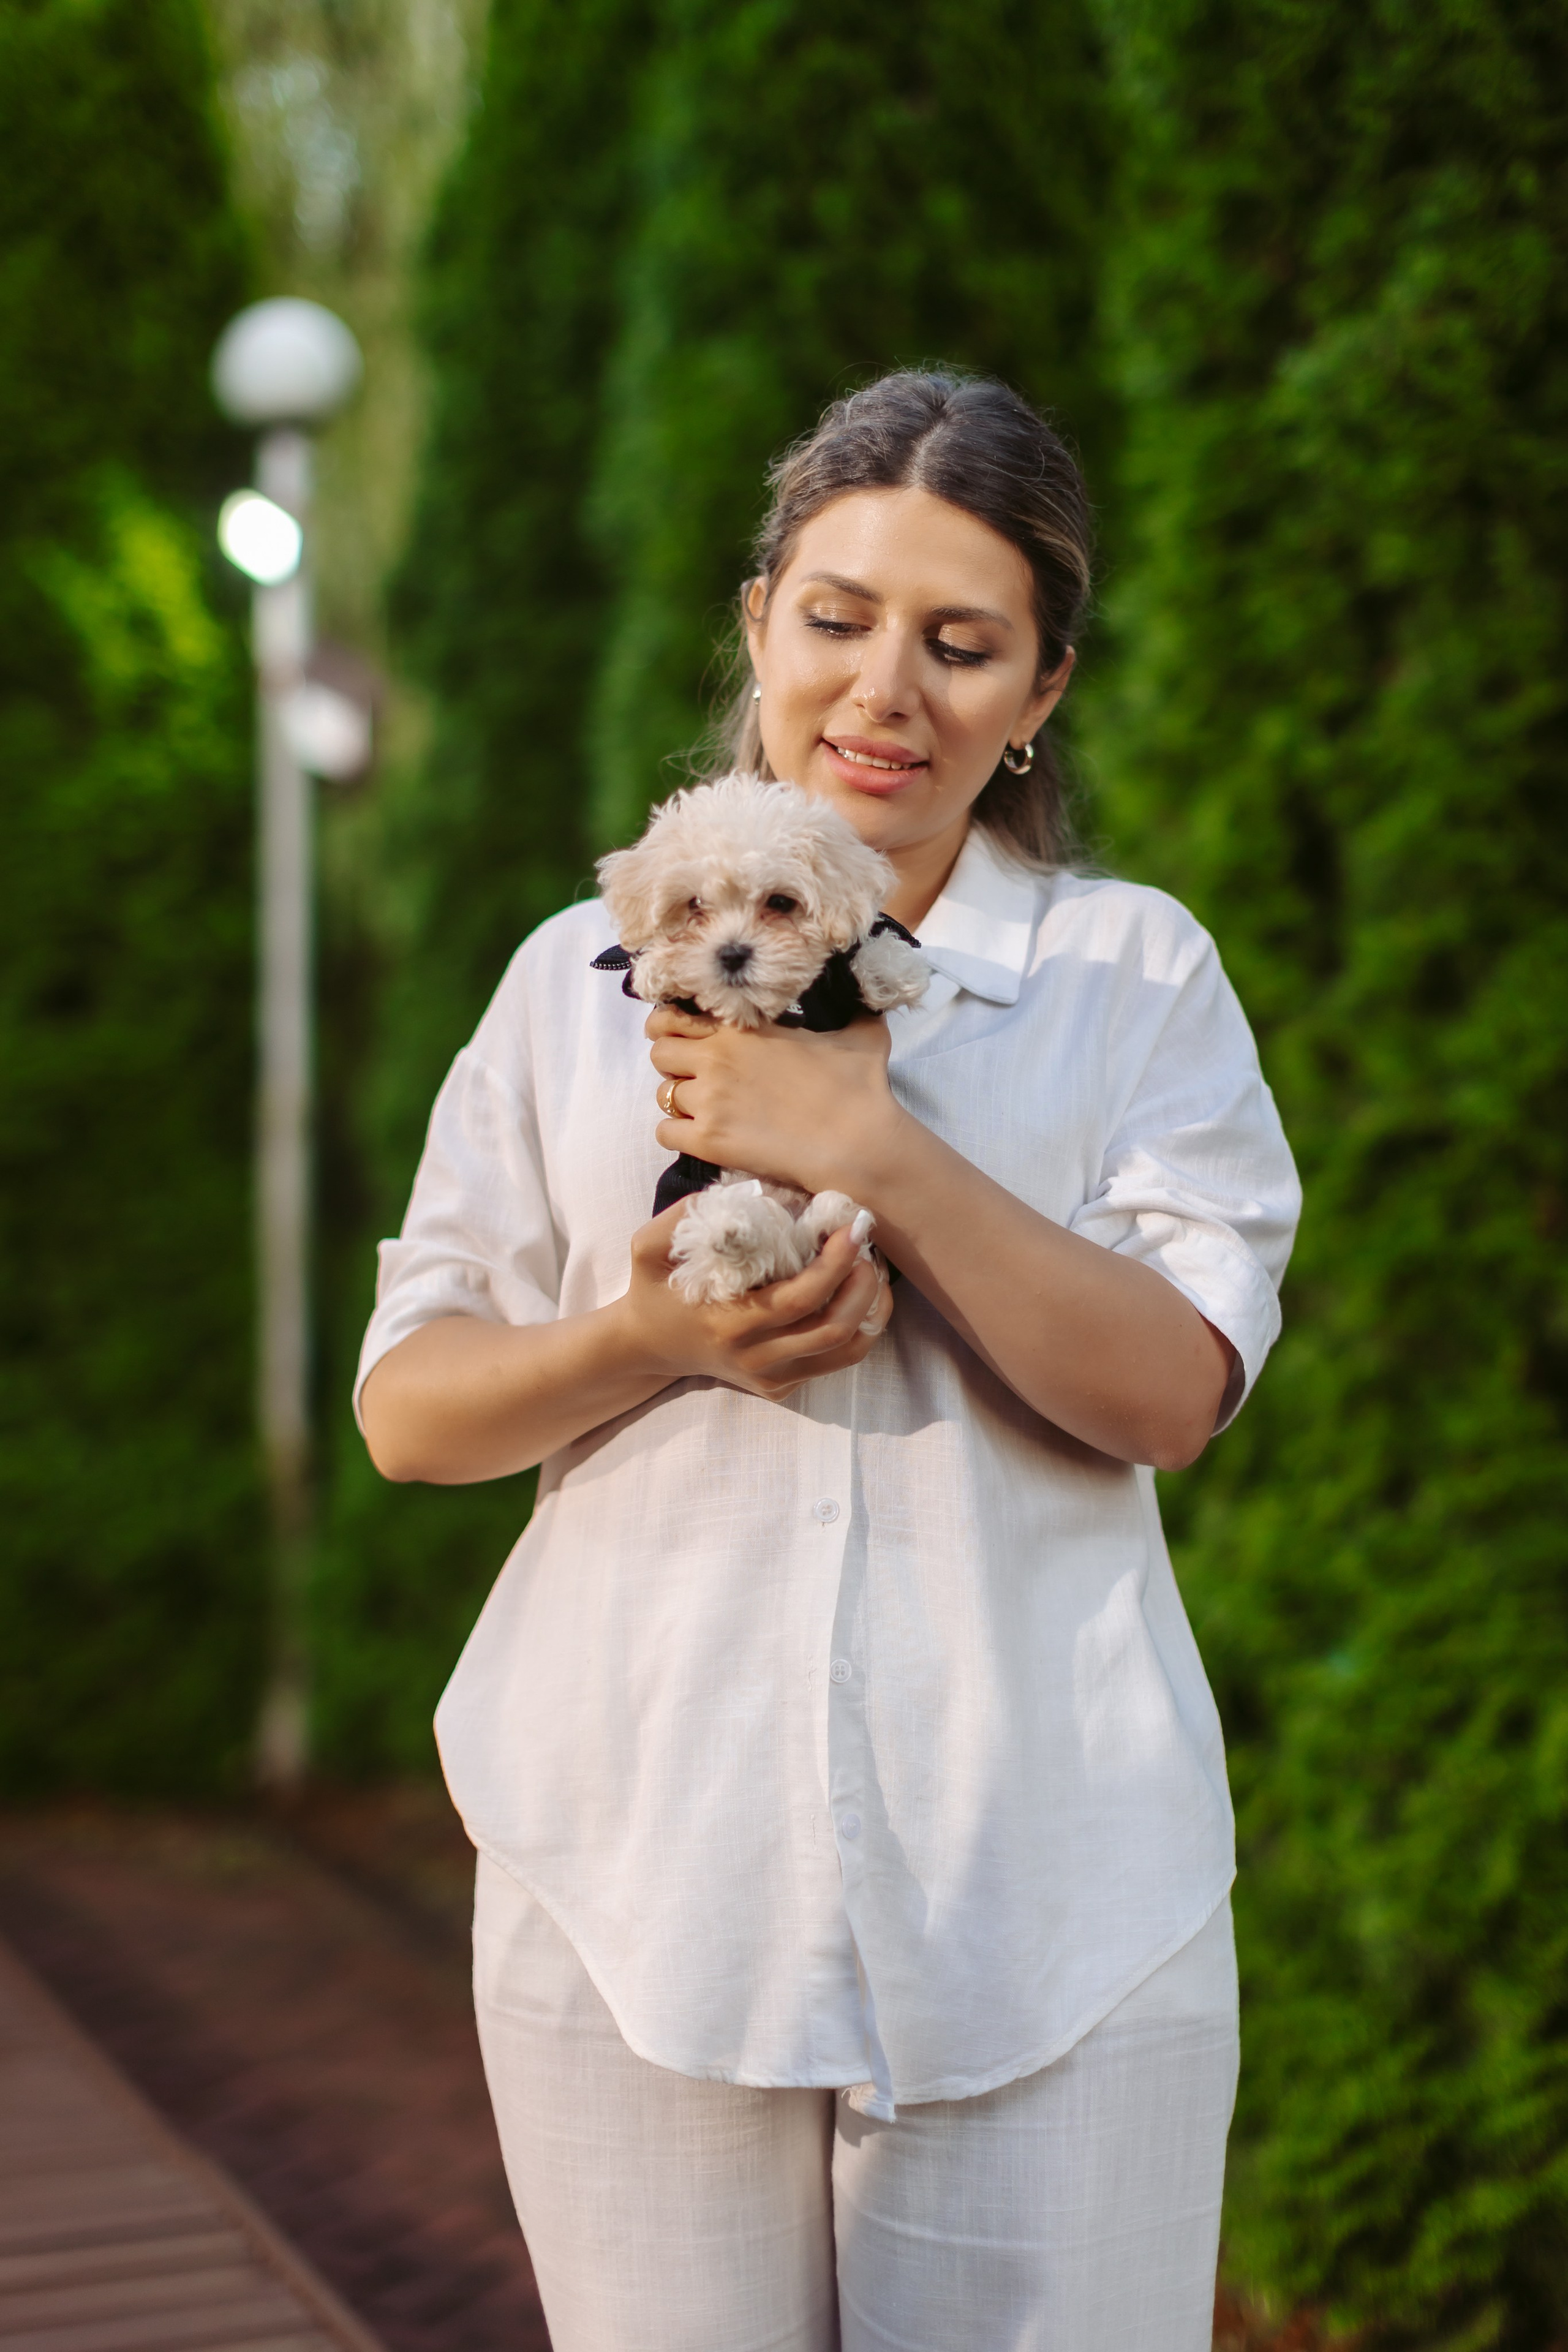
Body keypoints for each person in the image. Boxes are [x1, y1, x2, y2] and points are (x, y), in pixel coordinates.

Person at [356, 370, 1301, 2352]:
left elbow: (1170, 1395)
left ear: (1041, 692)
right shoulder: (576, 974)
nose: (888, 691)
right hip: (630, 1863)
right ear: (761, 622)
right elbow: (410, 1405)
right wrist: (644, 1337)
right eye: (838, 619)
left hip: (1052, 1888)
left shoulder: (1132, 977)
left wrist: (875, 1148)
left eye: (965, 646)